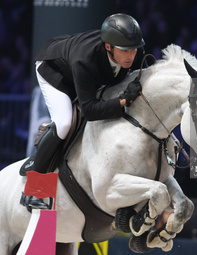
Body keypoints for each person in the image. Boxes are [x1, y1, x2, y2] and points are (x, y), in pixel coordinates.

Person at [20, 13, 145, 209]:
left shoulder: (131, 53)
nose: (131, 56)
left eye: (134, 50)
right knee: (64, 123)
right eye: (125, 51)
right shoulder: (84, 59)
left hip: (85, 75)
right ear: (108, 47)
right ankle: (34, 189)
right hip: (55, 73)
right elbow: (90, 111)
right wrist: (122, 100)